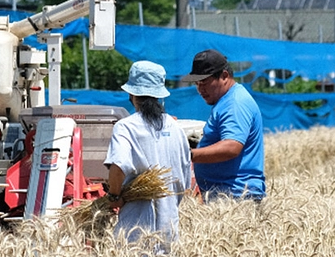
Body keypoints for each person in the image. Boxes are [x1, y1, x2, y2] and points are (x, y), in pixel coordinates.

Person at [104, 60, 193, 244]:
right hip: (169, 230)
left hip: (135, 230)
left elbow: (118, 167)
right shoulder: (176, 128)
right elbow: (184, 183)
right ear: (159, 95)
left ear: (131, 93)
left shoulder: (126, 127)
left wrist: (114, 197)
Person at [183, 49, 265, 200]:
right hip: (228, 197)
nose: (200, 89)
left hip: (236, 197)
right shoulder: (228, 100)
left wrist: (188, 155)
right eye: (197, 83)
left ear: (224, 76)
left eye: (204, 82)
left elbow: (231, 147)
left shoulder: (234, 104)